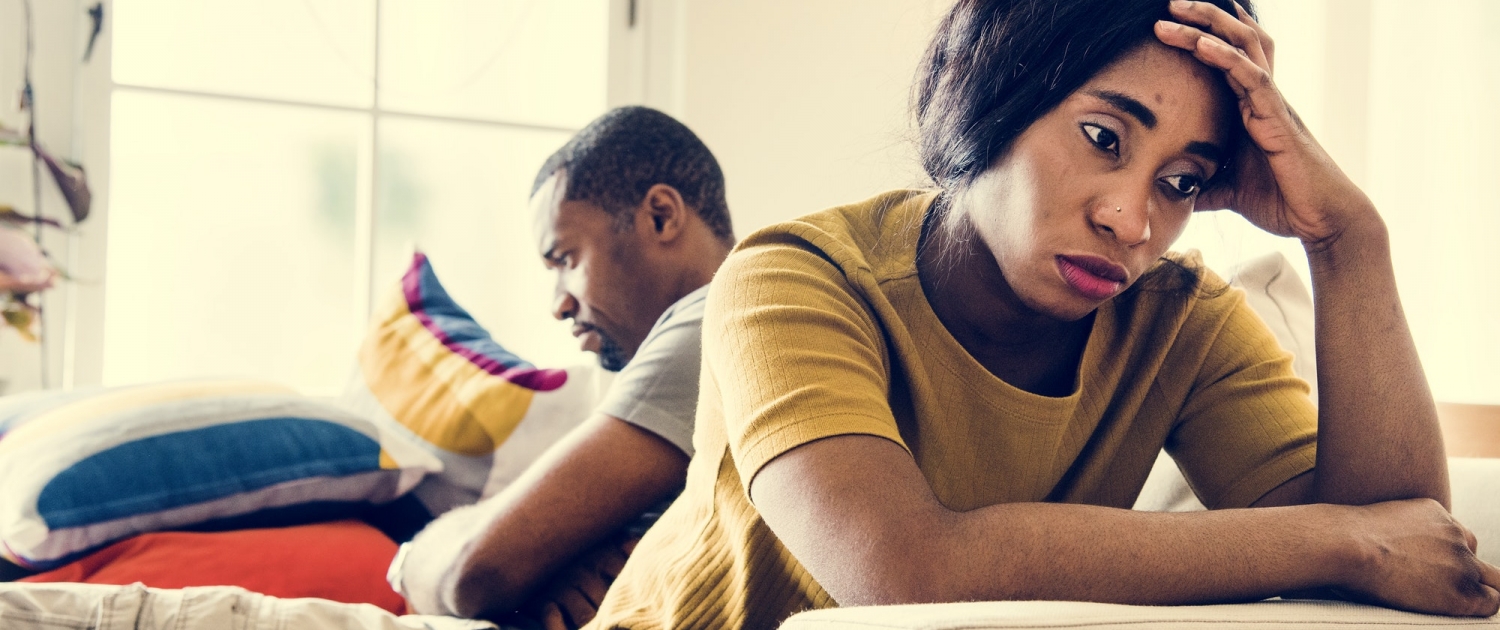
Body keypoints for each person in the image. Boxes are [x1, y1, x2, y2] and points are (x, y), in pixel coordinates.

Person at [584, 1, 1500, 628]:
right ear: (985, 92)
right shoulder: (794, 279)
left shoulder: (1181, 322)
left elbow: (1407, 540)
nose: (1132, 220)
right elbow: (904, 573)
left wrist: (1348, 240)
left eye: (1181, 182)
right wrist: (1335, 540)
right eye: (1103, 138)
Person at [394, 106, 735, 628]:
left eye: (566, 259)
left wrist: (415, 556)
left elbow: (475, 574)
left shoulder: (711, 315)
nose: (558, 304)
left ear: (661, 216)